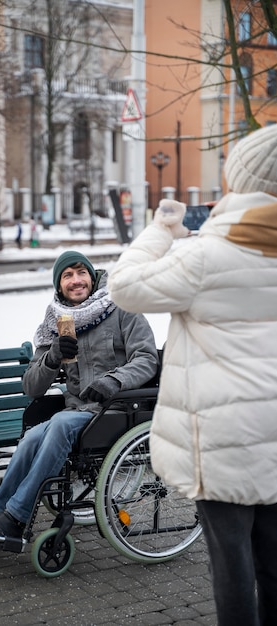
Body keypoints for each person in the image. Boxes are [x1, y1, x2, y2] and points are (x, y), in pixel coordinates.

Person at [107, 124, 277, 626]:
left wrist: (161, 231)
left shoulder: (205, 257)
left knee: (231, 564)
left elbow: (124, 286)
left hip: (222, 439)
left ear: (239, 182)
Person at [0, 250, 158, 542]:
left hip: (118, 409)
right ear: (59, 286)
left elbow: (146, 358)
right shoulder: (56, 322)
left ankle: (16, 519)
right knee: (31, 437)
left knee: (58, 425)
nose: (76, 280)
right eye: (67, 275)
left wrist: (114, 381)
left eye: (81, 272)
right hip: (78, 413)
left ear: (92, 278)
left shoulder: (122, 307)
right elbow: (31, 387)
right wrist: (53, 356)